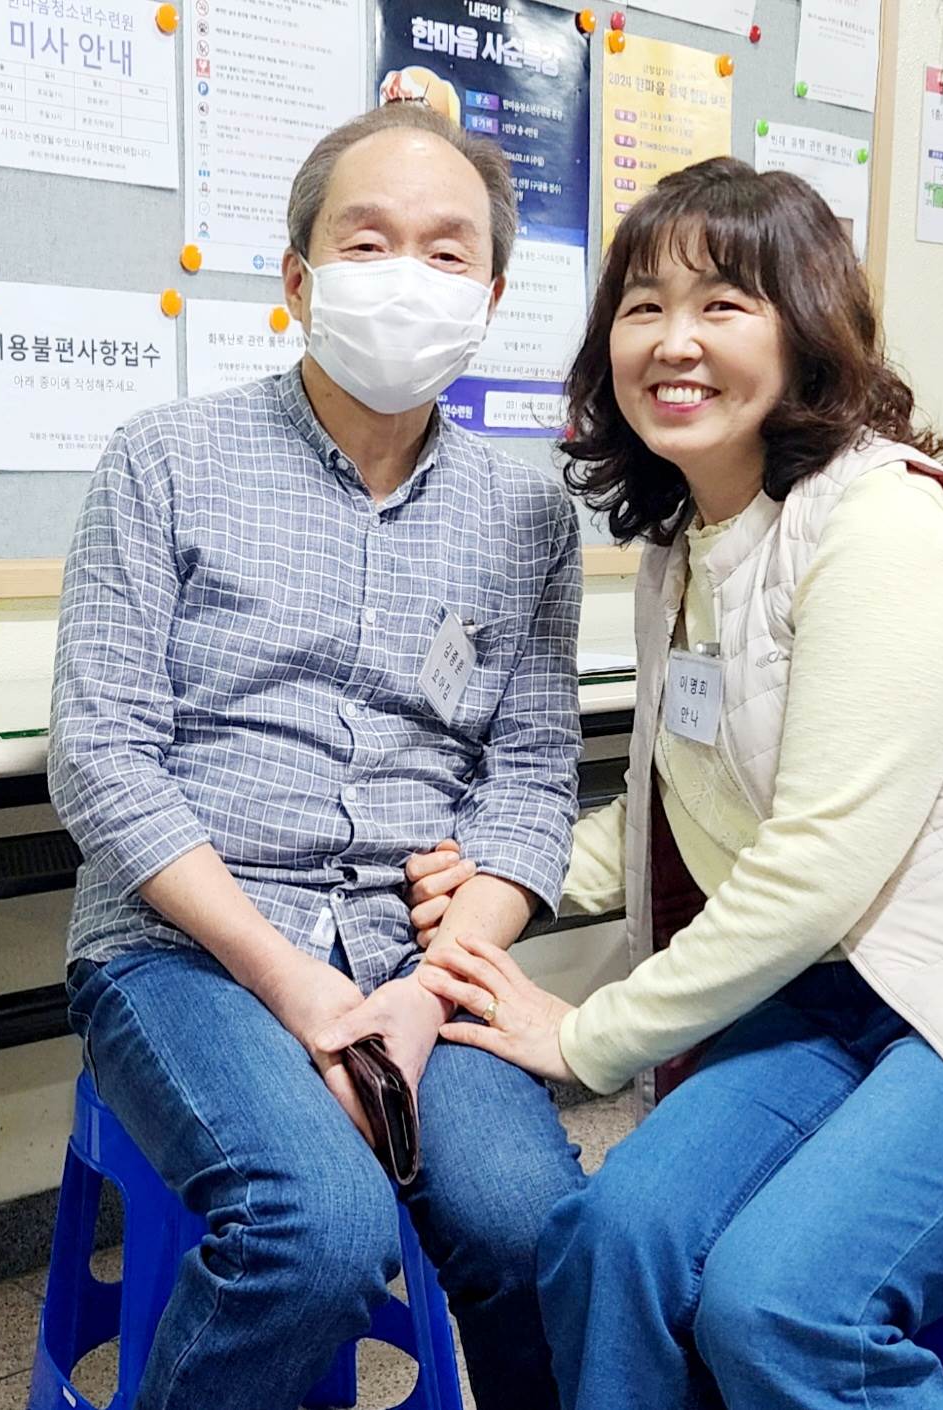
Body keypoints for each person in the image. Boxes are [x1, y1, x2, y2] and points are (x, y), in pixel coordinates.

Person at [406, 157, 943, 1410]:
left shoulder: (886, 526)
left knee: (784, 1308)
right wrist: (503, 873)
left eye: (722, 304)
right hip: (852, 997)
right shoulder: (688, 539)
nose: (673, 342)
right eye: (642, 306)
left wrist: (583, 1038)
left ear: (804, 331)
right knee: (611, 1241)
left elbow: (812, 864)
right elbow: (679, 806)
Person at [48, 103, 587, 1410]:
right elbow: (101, 753)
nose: (408, 275)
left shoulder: (528, 510)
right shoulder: (165, 461)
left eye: (447, 251)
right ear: (298, 277)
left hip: (418, 957)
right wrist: (292, 982)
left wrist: (431, 987)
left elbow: (530, 777)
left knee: (540, 1229)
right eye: (368, 240)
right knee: (317, 1232)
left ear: (490, 297)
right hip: (186, 949)